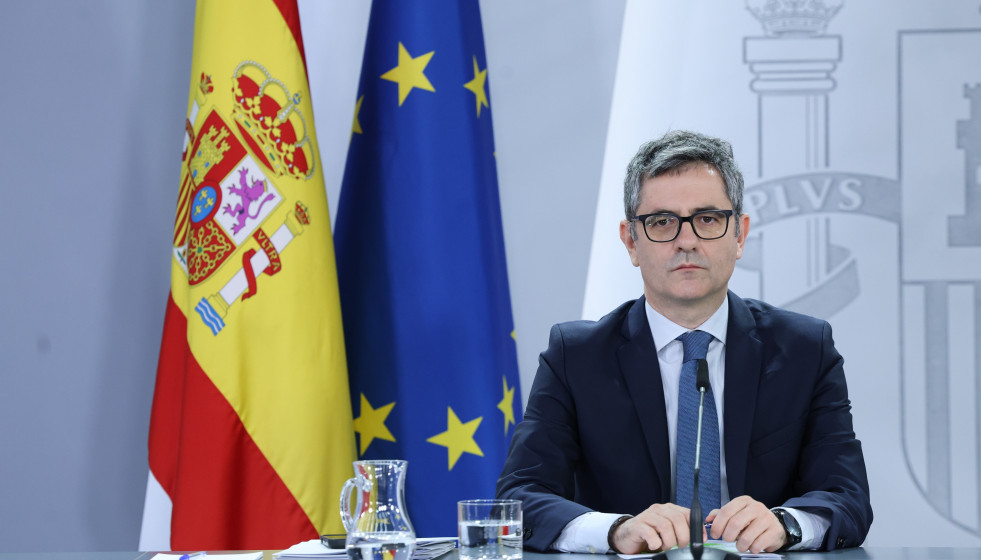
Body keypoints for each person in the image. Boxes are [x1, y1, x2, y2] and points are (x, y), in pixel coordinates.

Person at [496, 130, 872, 555]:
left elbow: (848, 498)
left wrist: (786, 524)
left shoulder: (805, 349)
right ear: (631, 241)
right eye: (662, 222)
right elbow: (517, 500)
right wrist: (615, 531)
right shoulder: (577, 356)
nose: (687, 240)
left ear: (740, 235)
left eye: (708, 219)